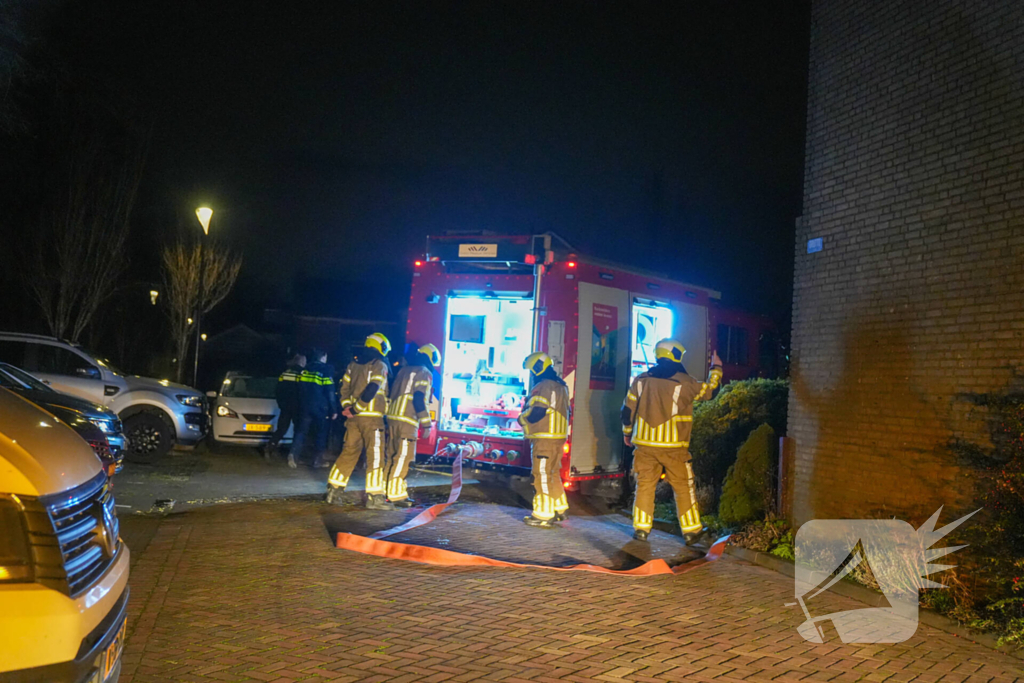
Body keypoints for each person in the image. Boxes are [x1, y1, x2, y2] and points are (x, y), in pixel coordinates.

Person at [621, 339, 722, 544]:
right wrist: (717, 368)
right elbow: (711, 391)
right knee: (683, 487)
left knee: (645, 486)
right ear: (675, 355)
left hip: (644, 445)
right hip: (674, 447)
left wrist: (627, 433)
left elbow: (627, 411)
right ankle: (692, 531)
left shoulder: (640, 380)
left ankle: (641, 529)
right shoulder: (685, 382)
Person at [326, 333, 392, 509]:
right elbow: (373, 388)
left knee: (348, 453)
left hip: (353, 420)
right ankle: (375, 497)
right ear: (381, 347)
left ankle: (334, 490)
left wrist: (349, 409)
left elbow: (344, 389)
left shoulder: (352, 365)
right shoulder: (379, 365)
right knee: (376, 457)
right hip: (372, 420)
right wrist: (357, 408)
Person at [519, 351, 571, 528]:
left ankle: (543, 515)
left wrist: (522, 418)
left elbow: (537, 412)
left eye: (532, 370)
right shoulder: (561, 385)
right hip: (557, 438)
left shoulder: (544, 386)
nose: (532, 374)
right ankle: (559, 508)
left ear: (537, 368)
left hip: (544, 438)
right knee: (552, 474)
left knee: (540, 476)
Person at [384, 343, 440, 507]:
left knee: (392, 456)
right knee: (404, 458)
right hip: (407, 420)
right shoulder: (425, 373)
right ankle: (396, 495)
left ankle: (383, 491)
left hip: (393, 417)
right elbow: (418, 398)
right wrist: (426, 424)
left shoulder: (404, 369)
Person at [287, 348, 337, 469]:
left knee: (301, 431)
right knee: (321, 433)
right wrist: (334, 410)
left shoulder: (305, 370)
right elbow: (330, 392)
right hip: (320, 407)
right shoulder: (326, 370)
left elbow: (299, 388)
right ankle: (317, 460)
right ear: (323, 357)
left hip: (305, 405)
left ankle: (293, 455)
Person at [264, 352, 306, 460]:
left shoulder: (285, 373)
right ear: (301, 362)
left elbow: (278, 390)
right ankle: (294, 454)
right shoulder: (302, 374)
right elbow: (302, 391)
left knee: (281, 429)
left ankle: (269, 448)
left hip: (285, 406)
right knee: (298, 431)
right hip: (297, 406)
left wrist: (281, 403)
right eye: (305, 361)